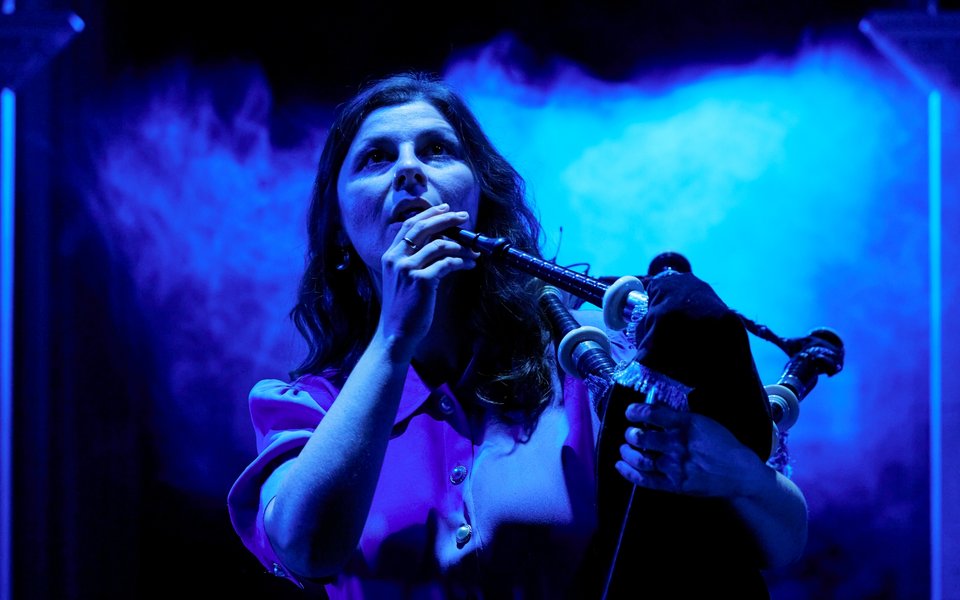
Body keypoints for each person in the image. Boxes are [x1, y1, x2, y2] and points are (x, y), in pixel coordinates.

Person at [227, 71, 808, 599]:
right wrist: (393, 340)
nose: (410, 169)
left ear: (480, 199)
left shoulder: (585, 366)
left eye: (436, 150)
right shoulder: (303, 409)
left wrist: (740, 474)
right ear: (338, 231)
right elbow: (306, 549)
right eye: (376, 158)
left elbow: (781, 541)